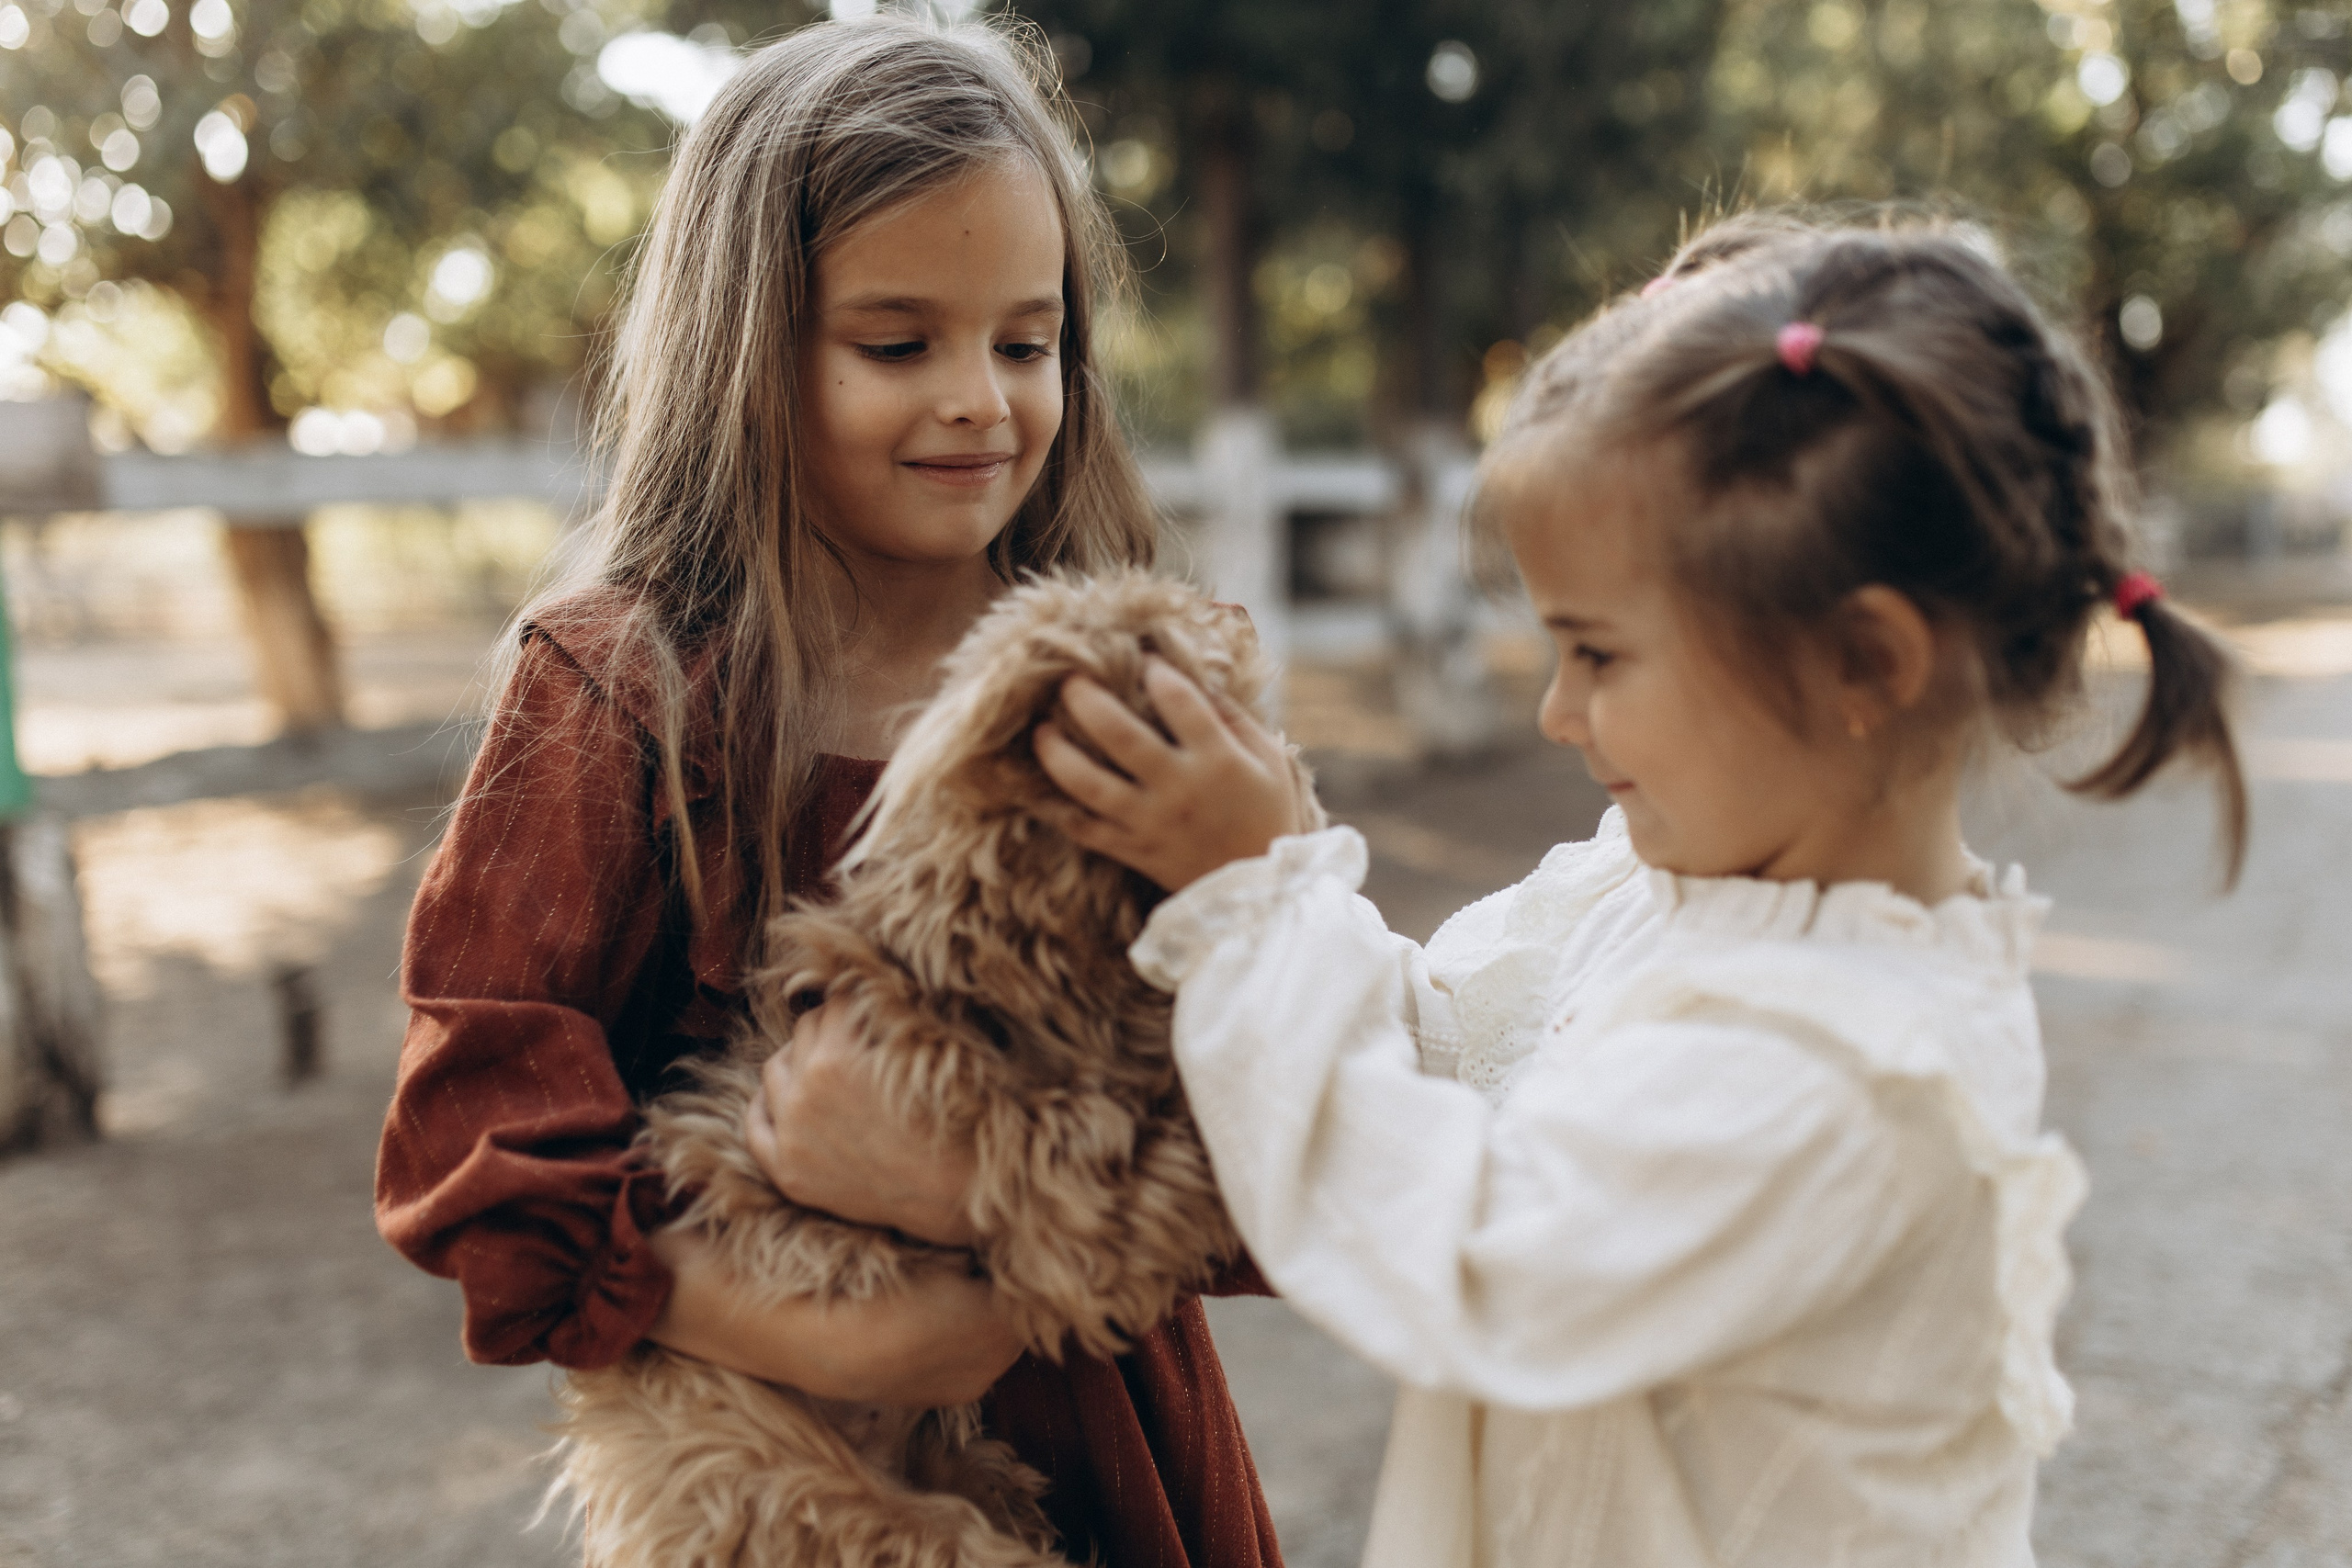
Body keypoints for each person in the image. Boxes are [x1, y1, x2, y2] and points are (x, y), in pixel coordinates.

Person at [1016, 216, 2248, 1562]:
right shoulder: (1665, 892)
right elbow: (1437, 1040)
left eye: (1599, 655)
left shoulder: (1853, 1067)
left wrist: (1255, 897)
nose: (1556, 712)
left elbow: (1476, 1258)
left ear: (1862, 664)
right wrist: (1250, 891)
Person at [373, 16, 1283, 1566]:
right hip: (787, 1466)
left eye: (1026, 339)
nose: (982, 403)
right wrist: (842, 1342)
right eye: (896, 343)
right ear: (748, 346)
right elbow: (479, 1117)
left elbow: (1289, 1107)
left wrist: (1003, 1240)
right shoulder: (628, 693)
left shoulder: (1122, 687)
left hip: (1111, 1442)